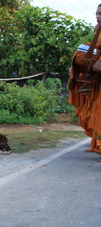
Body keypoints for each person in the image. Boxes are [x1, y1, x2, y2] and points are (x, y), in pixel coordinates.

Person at [69, 4, 101, 162]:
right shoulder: (98, 29)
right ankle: (96, 144)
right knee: (96, 112)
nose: (98, 16)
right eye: (97, 13)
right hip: (98, 80)